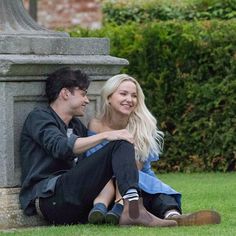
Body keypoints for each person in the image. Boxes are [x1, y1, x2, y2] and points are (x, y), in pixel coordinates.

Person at [19, 67, 178, 227]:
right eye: (83, 94)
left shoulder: (77, 127)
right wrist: (106, 135)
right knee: (120, 141)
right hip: (51, 198)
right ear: (65, 93)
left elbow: (93, 168)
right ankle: (133, 210)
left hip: (78, 201)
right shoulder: (39, 117)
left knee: (130, 176)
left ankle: (168, 212)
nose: (87, 100)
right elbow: (61, 147)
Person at [86, 74, 221, 226]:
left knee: (154, 191)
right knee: (121, 185)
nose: (129, 100)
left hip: (137, 182)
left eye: (134, 96)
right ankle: (112, 211)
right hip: (106, 187)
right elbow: (96, 162)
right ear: (108, 97)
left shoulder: (142, 127)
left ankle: (174, 216)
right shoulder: (96, 125)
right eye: (123, 94)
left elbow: (134, 169)